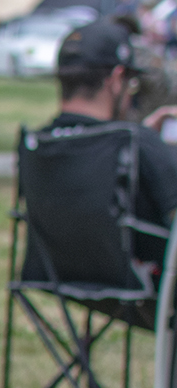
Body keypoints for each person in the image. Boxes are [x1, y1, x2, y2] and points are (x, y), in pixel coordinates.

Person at [52, 18, 177, 260]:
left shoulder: (37, 145)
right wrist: (153, 143)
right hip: (143, 281)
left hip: (58, 275)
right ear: (116, 79)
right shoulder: (137, 143)